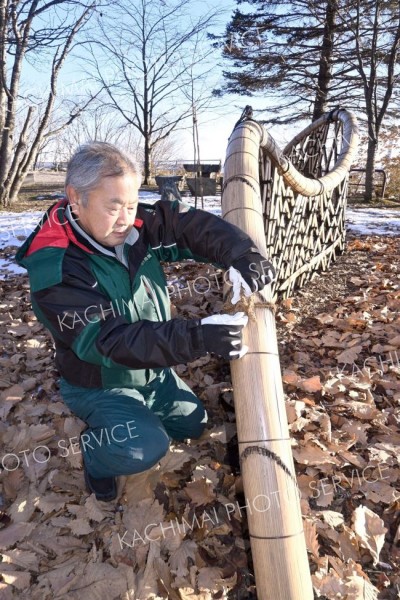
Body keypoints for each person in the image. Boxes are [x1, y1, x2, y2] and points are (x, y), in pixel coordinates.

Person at [16, 142, 275, 502]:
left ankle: (148, 408)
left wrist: (240, 251)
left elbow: (184, 225)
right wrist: (197, 337)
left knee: (193, 424)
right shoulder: (55, 265)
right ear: (76, 197)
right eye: (114, 206)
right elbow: (109, 341)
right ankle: (96, 455)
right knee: (143, 446)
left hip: (154, 371)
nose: (126, 218)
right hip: (100, 382)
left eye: (132, 204)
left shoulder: (131, 225)